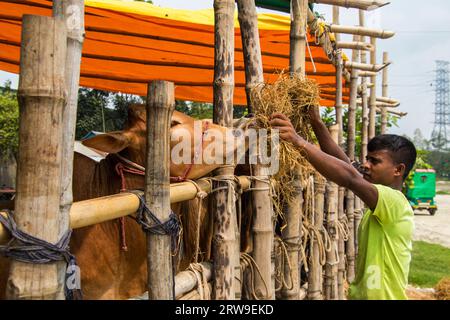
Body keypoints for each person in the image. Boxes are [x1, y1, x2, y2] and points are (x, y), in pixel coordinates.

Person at [269, 107, 416, 300]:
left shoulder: (395, 202)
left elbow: (349, 177)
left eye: (375, 161)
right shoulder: (380, 200)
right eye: (367, 159)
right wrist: (317, 124)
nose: (366, 165)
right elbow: (345, 165)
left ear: (398, 170)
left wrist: (298, 141)